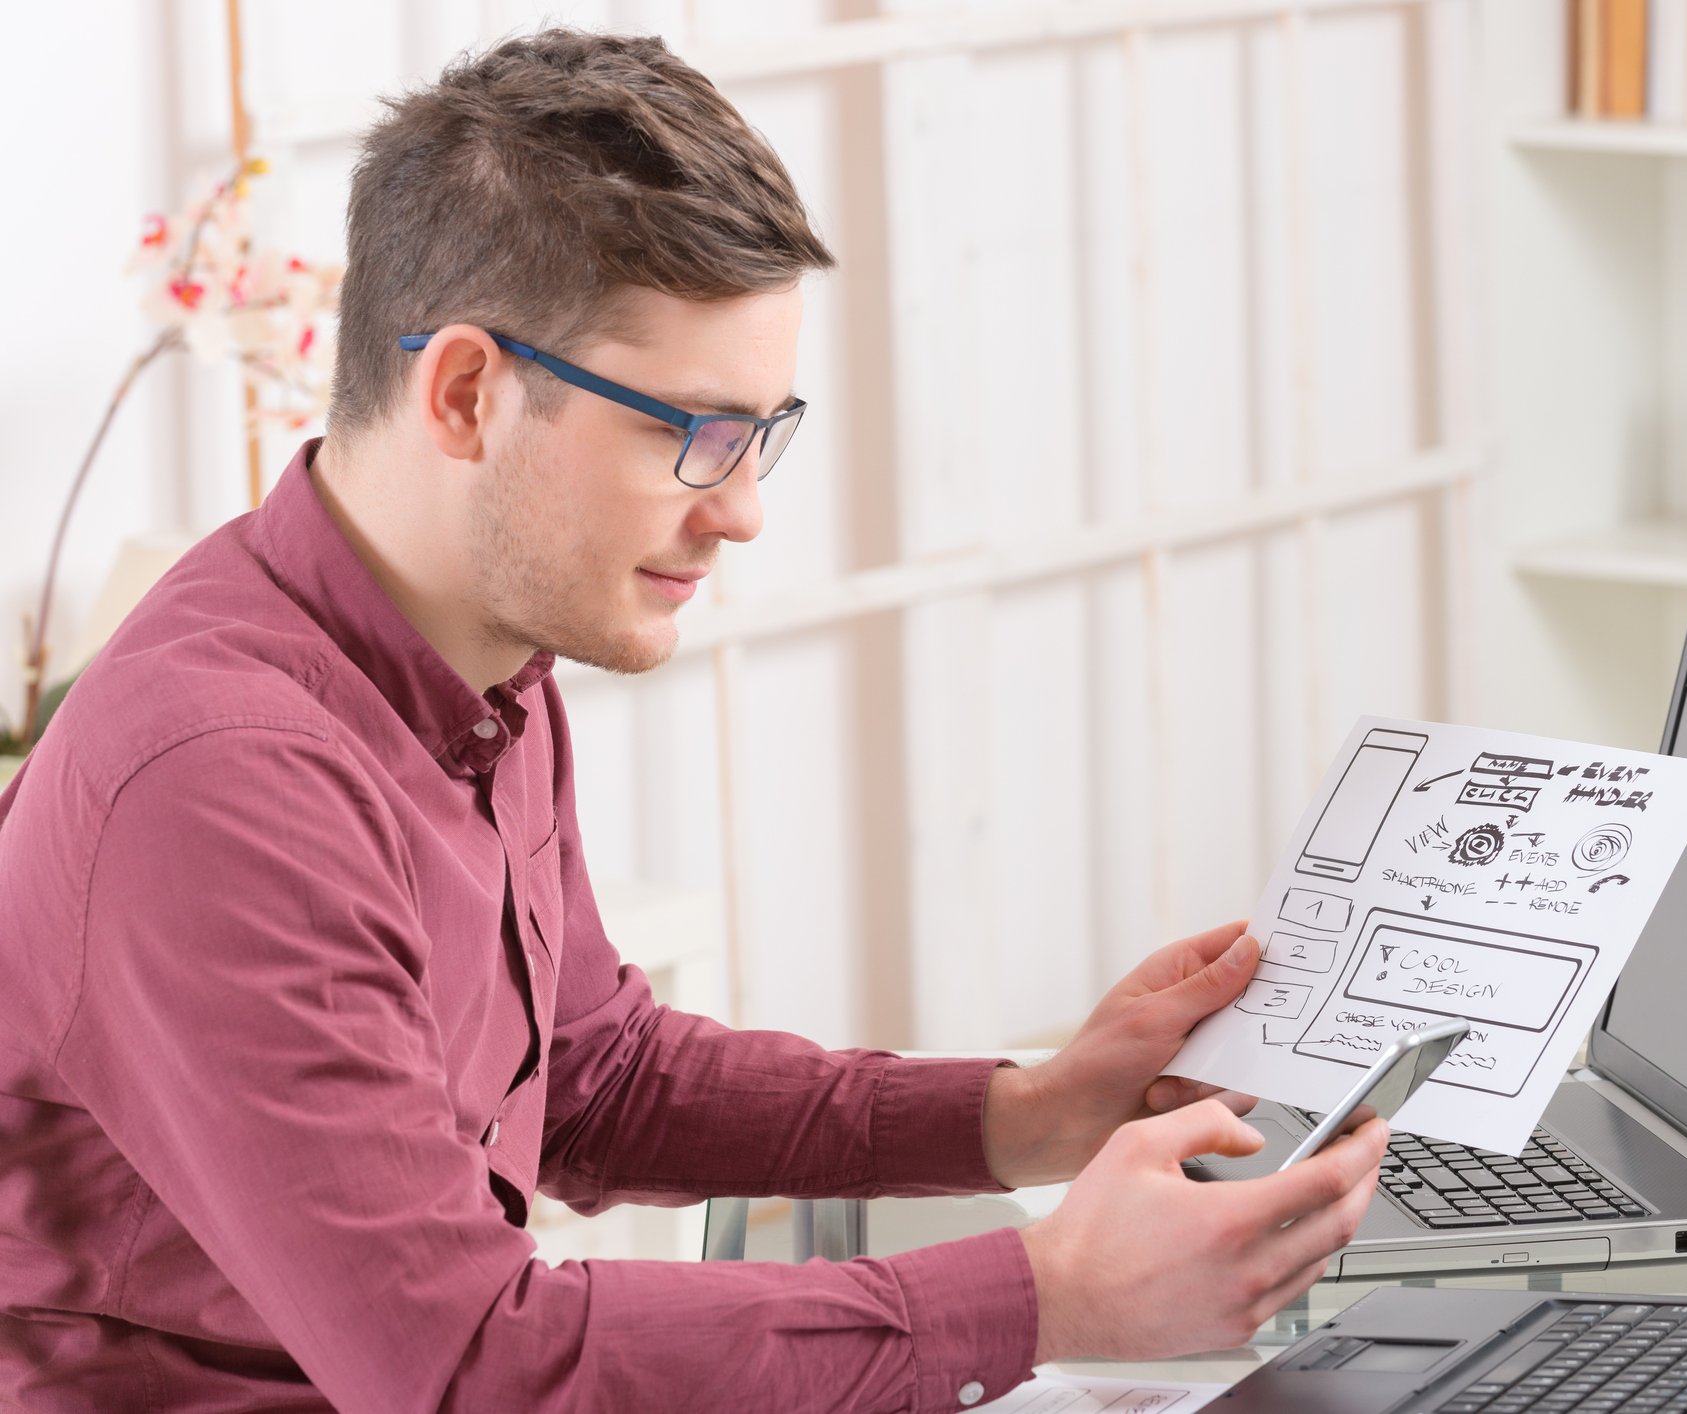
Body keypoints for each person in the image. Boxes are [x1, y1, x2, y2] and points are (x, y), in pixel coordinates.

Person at [0, 29, 1384, 1413]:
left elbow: (596, 1080)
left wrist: (1025, 1112)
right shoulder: (219, 781)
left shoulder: (474, 658)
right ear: (469, 393)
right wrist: (1051, 1296)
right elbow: (474, 1367)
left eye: (761, 431)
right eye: (692, 431)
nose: (742, 509)